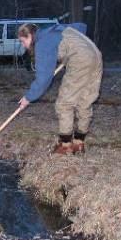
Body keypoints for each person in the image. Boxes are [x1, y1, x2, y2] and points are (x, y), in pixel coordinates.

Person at [16, 22, 103, 155]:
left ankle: (65, 145)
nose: (23, 45)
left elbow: (43, 78)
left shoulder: (43, 43)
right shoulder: (54, 31)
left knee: (64, 104)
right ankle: (79, 143)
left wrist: (28, 97)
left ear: (29, 35)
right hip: (96, 55)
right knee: (85, 100)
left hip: (80, 61)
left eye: (23, 41)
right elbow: (81, 26)